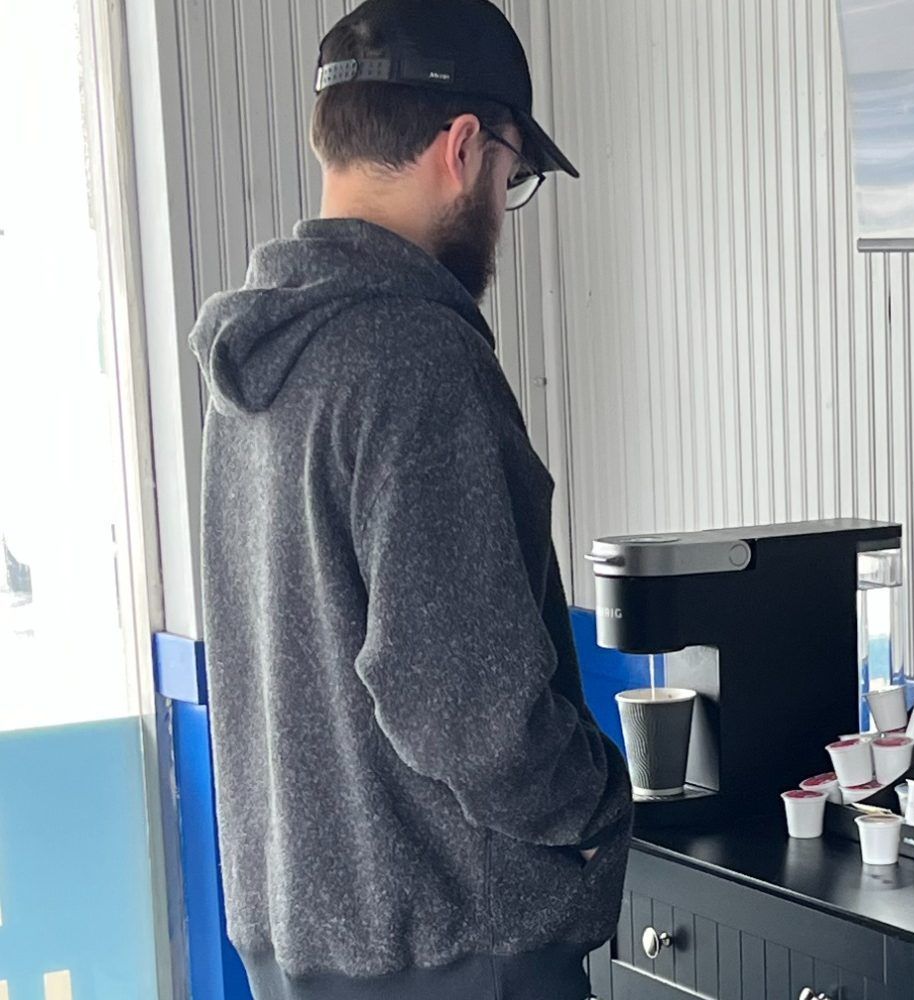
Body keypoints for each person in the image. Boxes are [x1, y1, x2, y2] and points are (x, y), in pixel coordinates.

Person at [188, 2, 632, 998]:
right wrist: (599, 806)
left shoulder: (257, 362)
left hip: (304, 944)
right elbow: (469, 707)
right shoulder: (413, 359)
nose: (501, 207)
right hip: (457, 950)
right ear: (463, 147)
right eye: (512, 178)